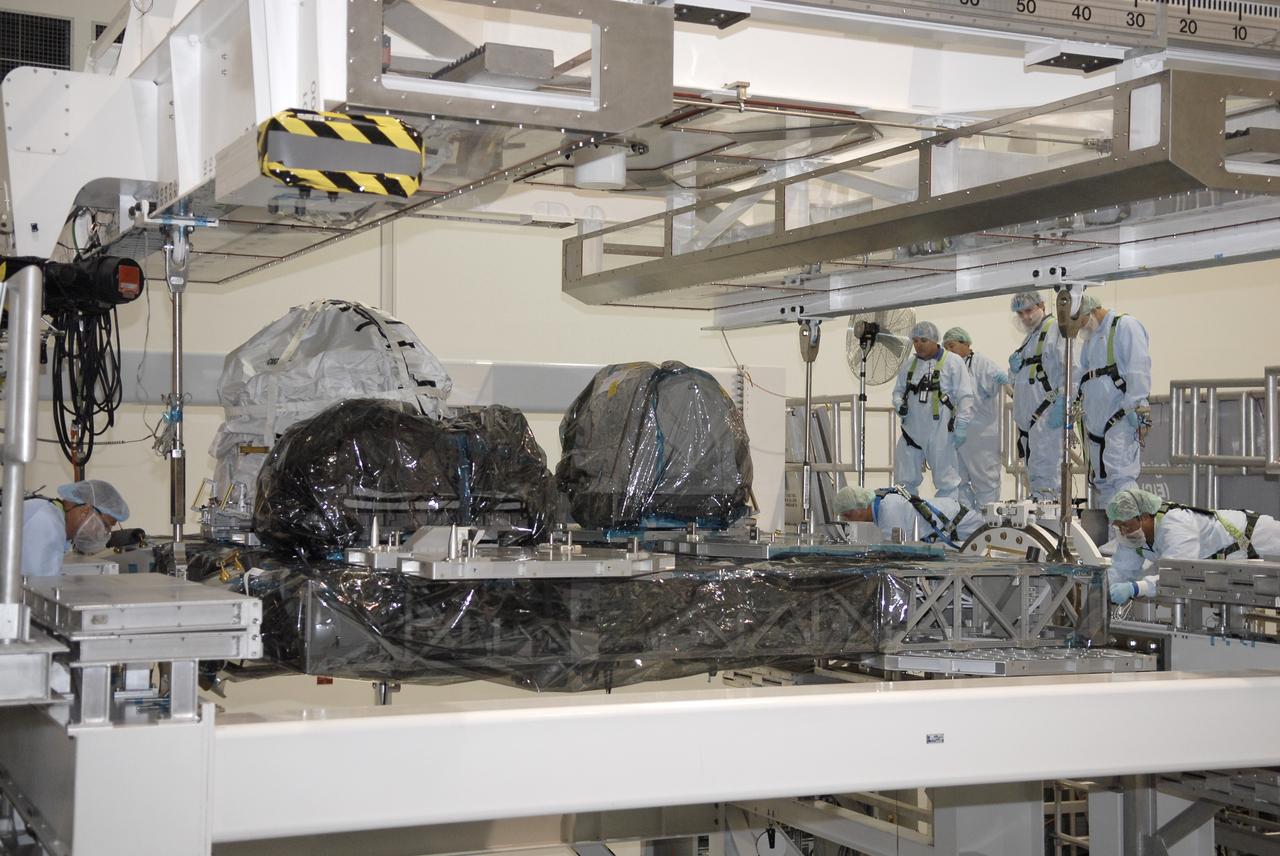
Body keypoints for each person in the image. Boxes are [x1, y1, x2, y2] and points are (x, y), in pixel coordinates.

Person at [1105, 487, 1280, 604]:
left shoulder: (1174, 525)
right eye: (1119, 526)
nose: (1123, 531)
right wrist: (1100, 588)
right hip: (1238, 558)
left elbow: (1177, 575)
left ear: (1144, 517)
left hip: (1261, 537)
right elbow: (1120, 570)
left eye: (1126, 525)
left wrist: (1135, 588)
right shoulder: (1134, 538)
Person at [1075, 294, 1151, 507]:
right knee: (1103, 482)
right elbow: (1081, 375)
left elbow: (1139, 369)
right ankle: (1114, 537)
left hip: (1120, 418)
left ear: (1087, 311)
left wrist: (1137, 406)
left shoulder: (1125, 327)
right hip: (1095, 423)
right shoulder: (1090, 338)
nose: (1078, 327)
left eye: (1078, 320)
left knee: (1121, 478)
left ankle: (1129, 538)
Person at [891, 321, 975, 500]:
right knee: (904, 481)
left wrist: (961, 423)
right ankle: (908, 519)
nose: (919, 345)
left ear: (934, 340)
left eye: (923, 340)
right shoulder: (909, 364)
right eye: (915, 341)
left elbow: (965, 395)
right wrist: (898, 403)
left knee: (947, 481)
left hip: (940, 432)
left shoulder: (953, 362)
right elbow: (898, 391)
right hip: (911, 432)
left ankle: (945, 521)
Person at [1007, 291, 1077, 501]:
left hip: (1048, 416)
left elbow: (1072, 368)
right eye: (1020, 313)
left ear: (1042, 305)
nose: (1026, 317)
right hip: (1030, 422)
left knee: (1047, 474)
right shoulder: (1030, 339)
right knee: (1035, 473)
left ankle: (1050, 521)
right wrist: (1013, 369)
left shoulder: (1056, 331)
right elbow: (1019, 382)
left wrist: (1064, 401)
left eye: (1029, 310)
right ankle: (1040, 512)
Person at [942, 327, 1008, 509]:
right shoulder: (946, 368)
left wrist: (1006, 378)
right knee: (957, 483)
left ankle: (987, 527)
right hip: (955, 436)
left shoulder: (982, 364)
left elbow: (1001, 383)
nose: (948, 351)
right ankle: (967, 524)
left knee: (985, 483)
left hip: (981, 435)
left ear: (966, 344)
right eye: (945, 347)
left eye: (952, 346)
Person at [21, 480, 130, 576]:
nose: (104, 533)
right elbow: (40, 586)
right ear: (85, 512)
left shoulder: (54, 520)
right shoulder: (47, 523)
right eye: (105, 525)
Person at [833, 484, 983, 548]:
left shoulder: (888, 508)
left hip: (958, 522)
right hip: (949, 524)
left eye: (847, 515)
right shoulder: (881, 505)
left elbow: (896, 550)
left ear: (858, 508)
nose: (849, 521)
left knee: (989, 542)